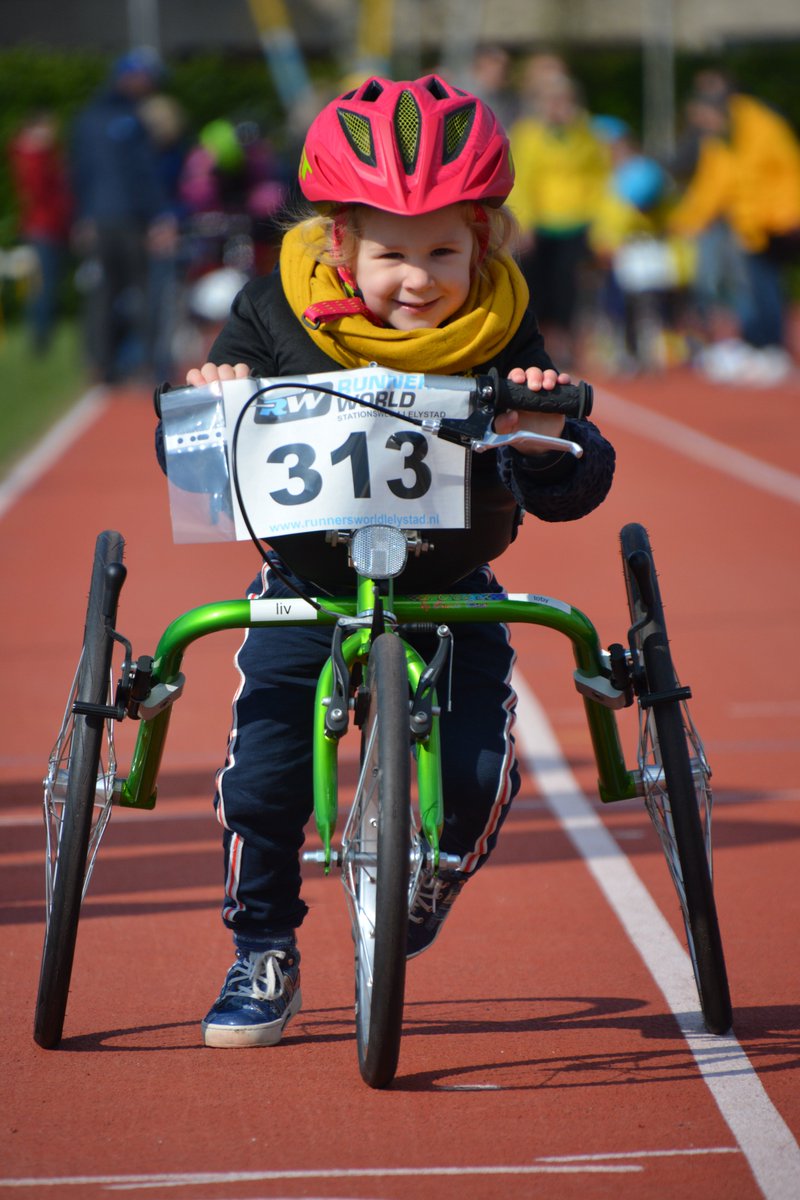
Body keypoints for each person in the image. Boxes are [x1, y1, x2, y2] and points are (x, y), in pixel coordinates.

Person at [173, 75, 616, 1048]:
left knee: (468, 771)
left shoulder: (500, 324)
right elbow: (198, 470)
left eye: (441, 253)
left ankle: (437, 866)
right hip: (307, 582)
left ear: (484, 246)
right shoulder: (272, 307)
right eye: (389, 255)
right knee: (266, 778)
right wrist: (216, 396)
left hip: (450, 581)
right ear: (338, 243)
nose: (416, 280)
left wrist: (543, 428)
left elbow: (572, 487)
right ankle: (262, 948)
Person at [667, 72, 800, 383]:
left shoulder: (759, 126)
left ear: (718, 111)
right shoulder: (724, 137)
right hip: (755, 222)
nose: (703, 129)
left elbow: (777, 172)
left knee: (764, 284)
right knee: (756, 284)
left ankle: (771, 348)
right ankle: (764, 347)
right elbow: (713, 185)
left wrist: (782, 217)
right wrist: (685, 222)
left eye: (705, 121)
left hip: (777, 220)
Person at [70, 48, 177, 383]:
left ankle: (102, 364)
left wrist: (82, 216)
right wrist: (160, 216)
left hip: (102, 218)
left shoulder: (86, 117)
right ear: (131, 78)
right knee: (142, 291)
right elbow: (143, 173)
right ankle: (144, 363)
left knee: (103, 292)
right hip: (127, 220)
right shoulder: (133, 119)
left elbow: (78, 172)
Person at [507, 70, 610, 367]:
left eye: (564, 100)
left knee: (570, 288)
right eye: (551, 100)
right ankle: (541, 344)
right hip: (540, 225)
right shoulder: (527, 134)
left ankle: (566, 344)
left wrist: (603, 227)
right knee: (537, 287)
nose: (557, 106)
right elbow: (522, 179)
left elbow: (600, 178)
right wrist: (524, 223)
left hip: (579, 222)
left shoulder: (588, 134)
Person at [7, 111, 73, 352]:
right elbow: (42, 191)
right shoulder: (34, 156)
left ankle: (42, 335)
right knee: (43, 285)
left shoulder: (37, 155)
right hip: (44, 227)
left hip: (46, 226)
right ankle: (40, 339)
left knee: (45, 284)